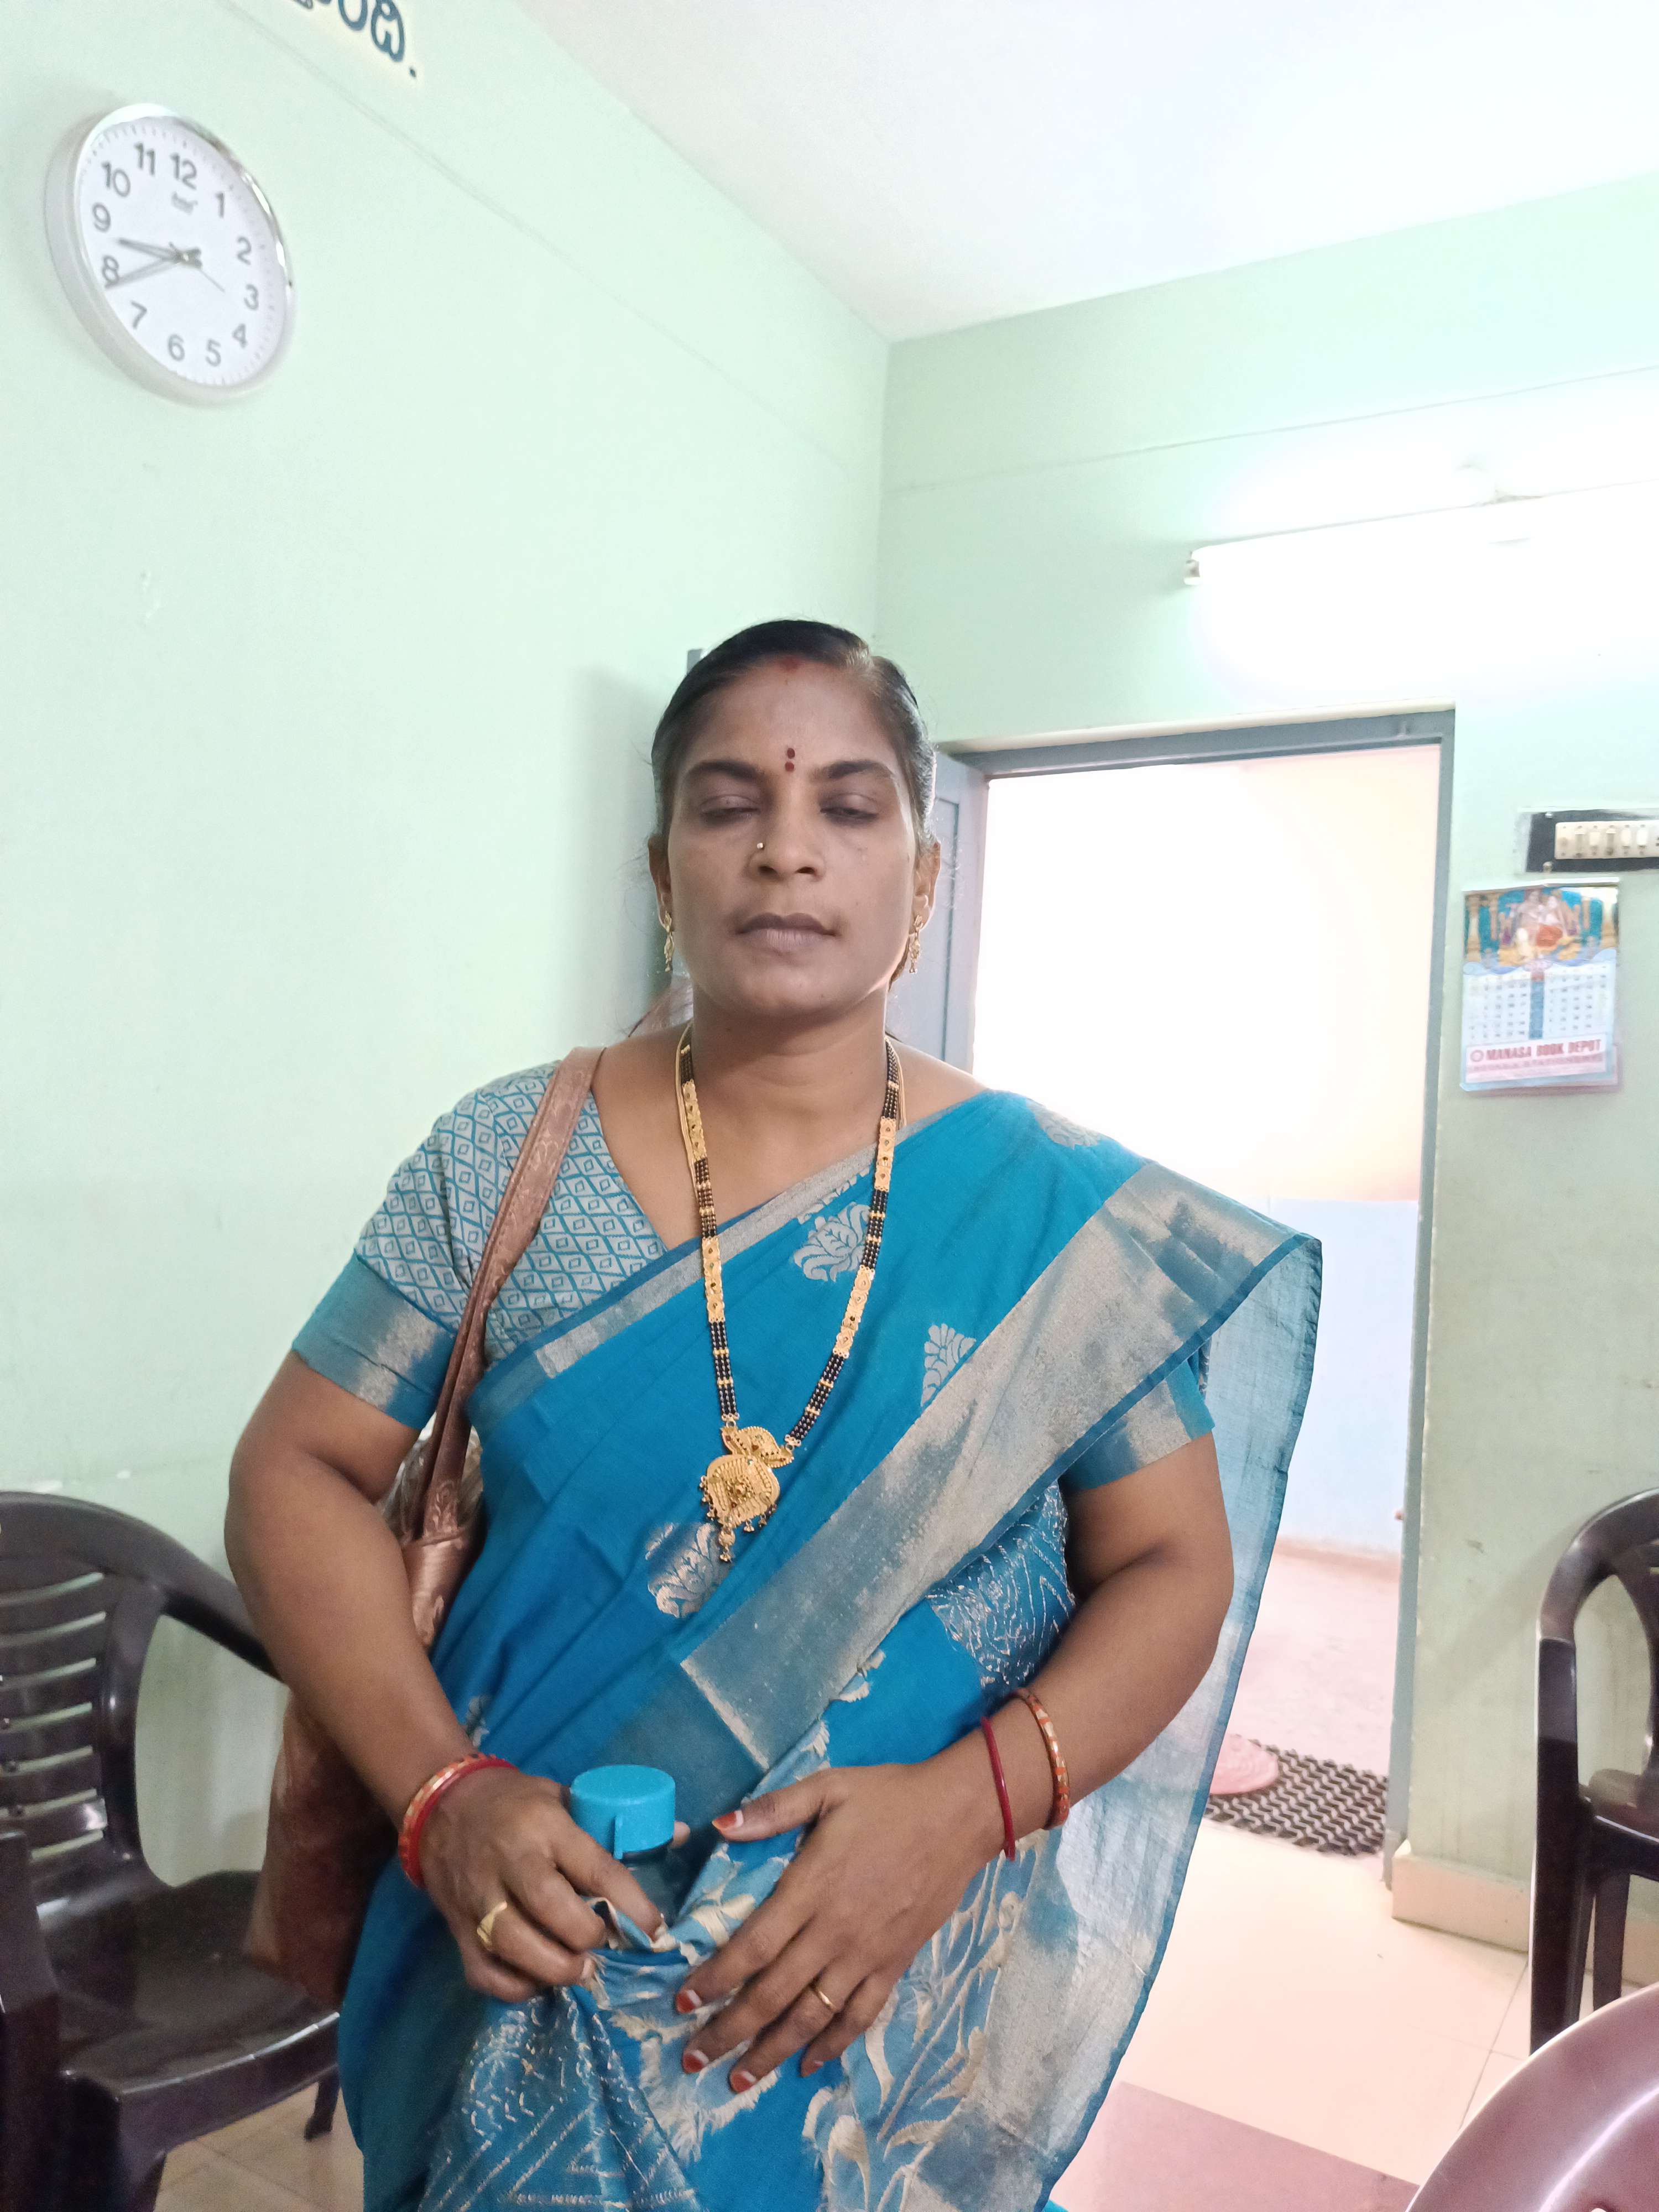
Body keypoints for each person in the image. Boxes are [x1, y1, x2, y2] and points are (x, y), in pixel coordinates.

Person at [227, 620, 1319, 2212]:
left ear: (922, 884)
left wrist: (962, 1813)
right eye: (729, 804)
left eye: (849, 808)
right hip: (513, 1941)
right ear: (661, 872)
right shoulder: (509, 1157)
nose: (786, 850)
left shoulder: (1042, 1218)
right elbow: (296, 1469)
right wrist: (441, 1797)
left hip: (873, 1985)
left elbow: (1171, 1567)